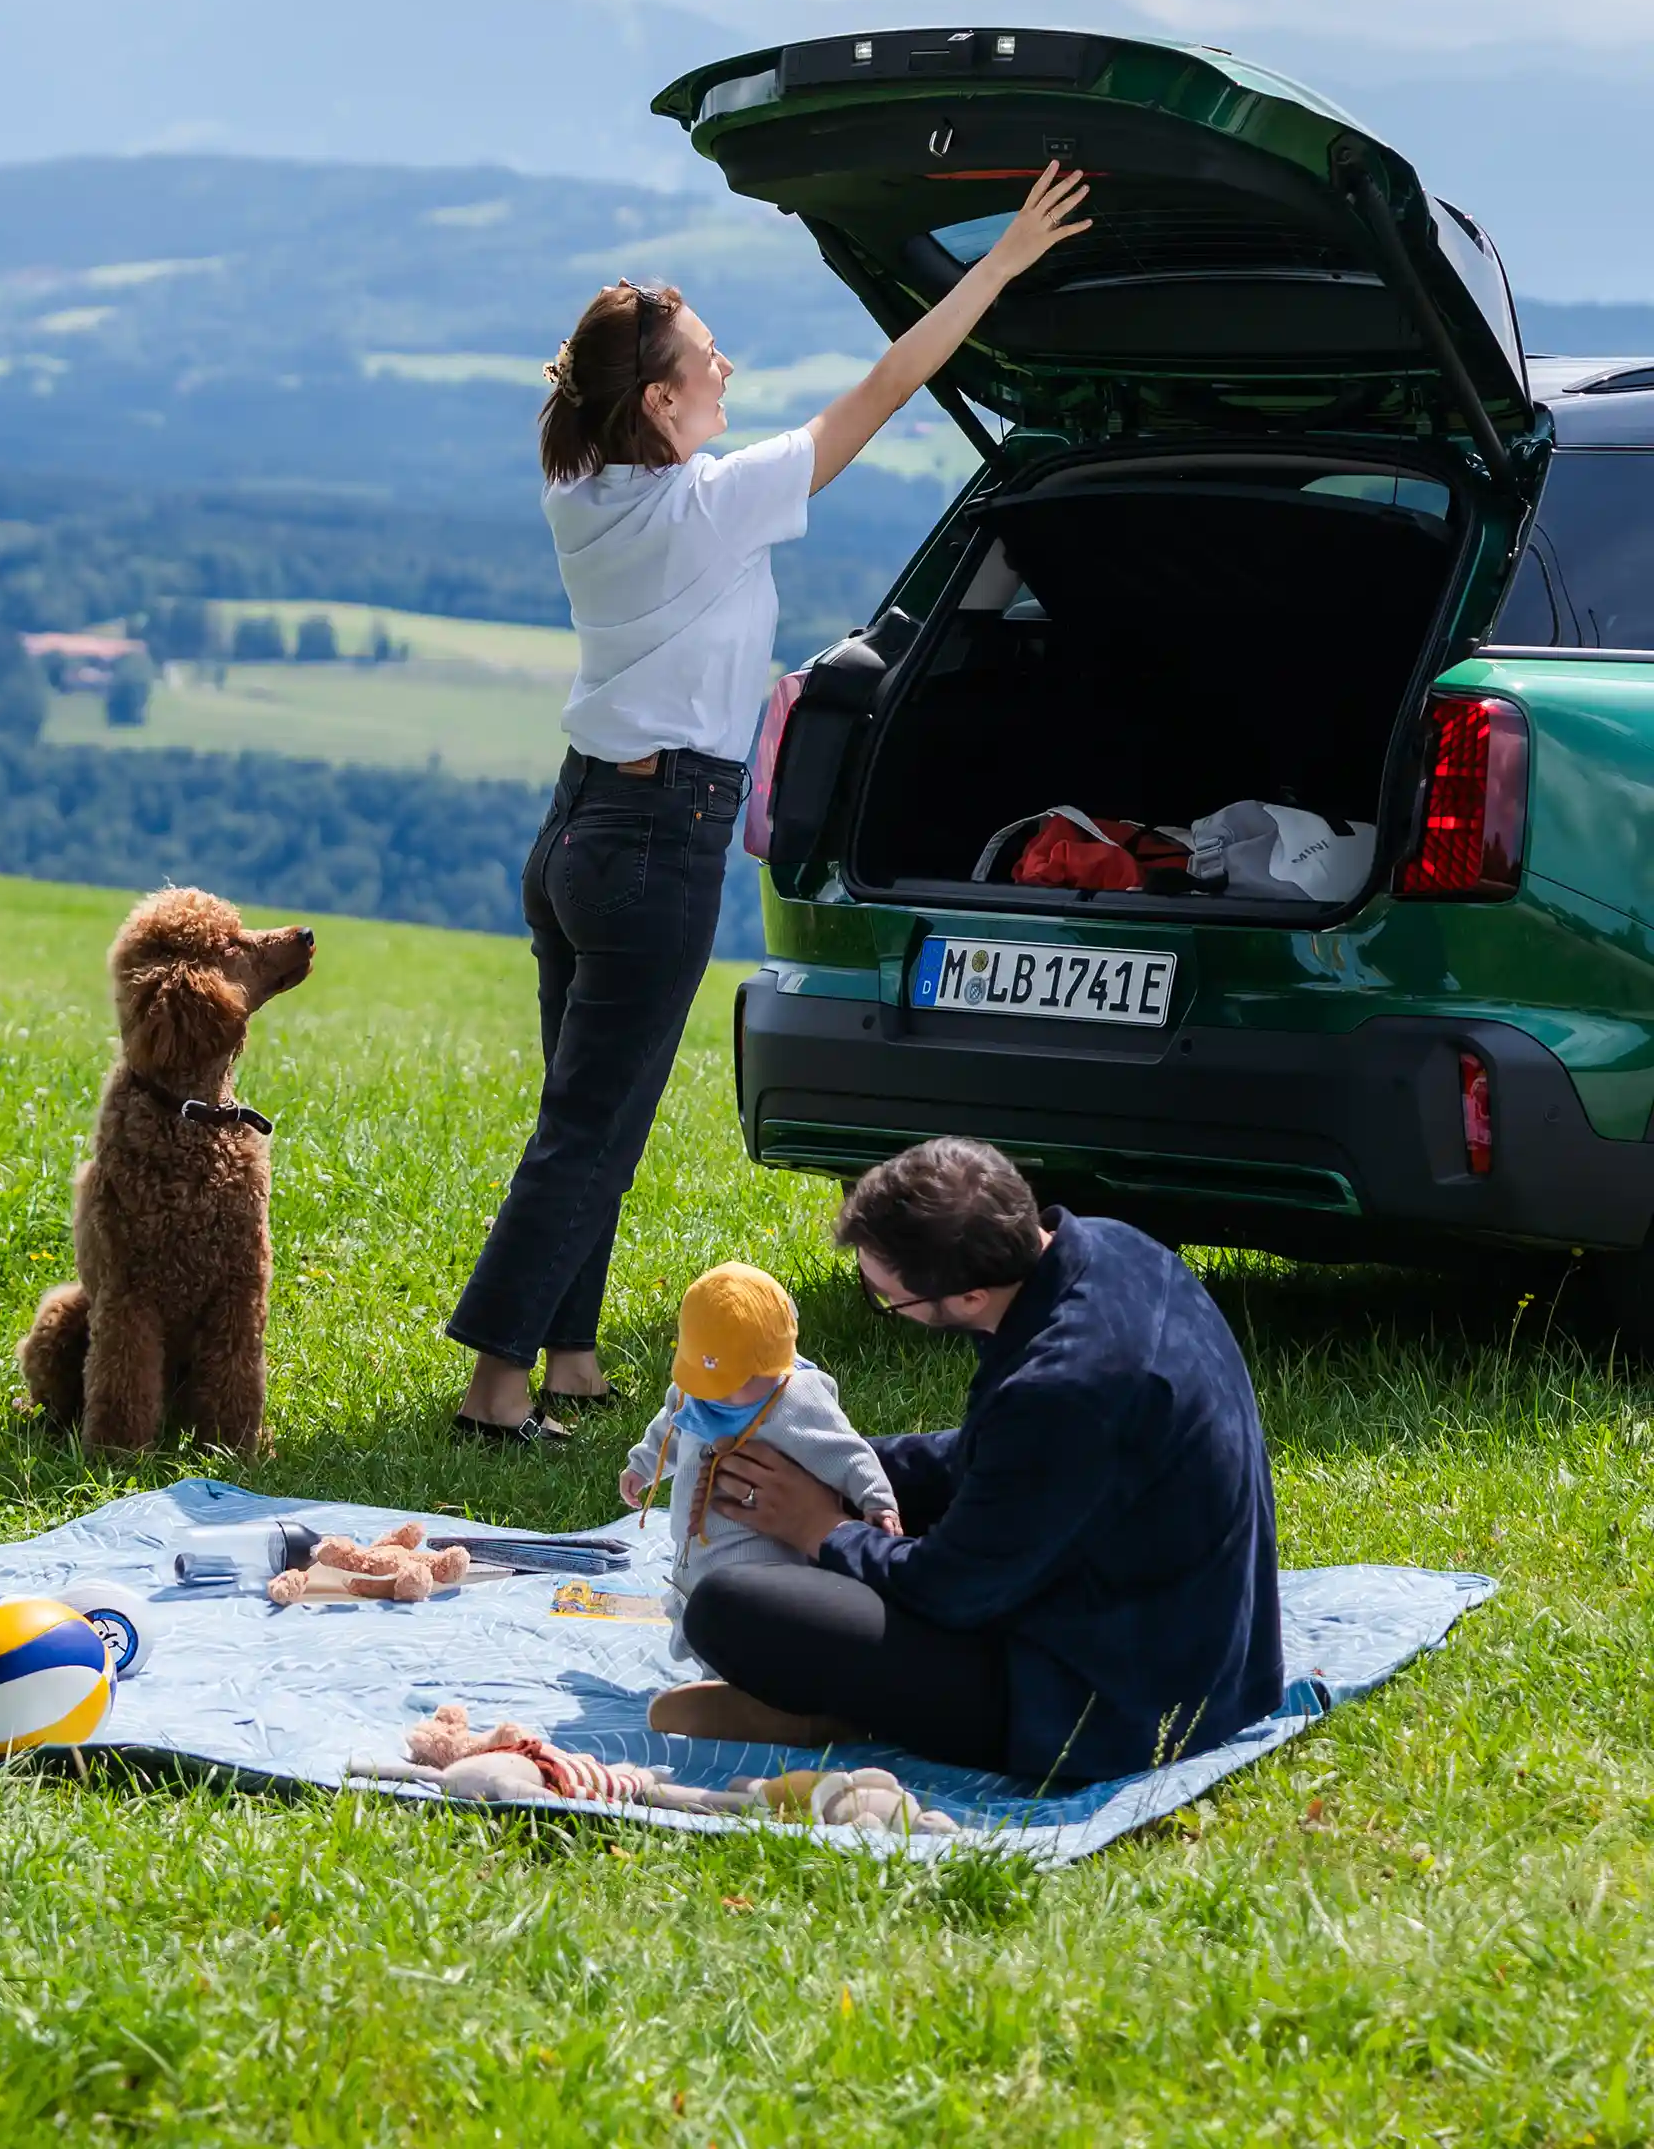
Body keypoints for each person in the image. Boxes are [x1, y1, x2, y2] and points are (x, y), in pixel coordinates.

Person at [446, 166, 1094, 1441]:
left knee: (595, 1108)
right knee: (589, 1120)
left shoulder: (585, 493)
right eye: (705, 357)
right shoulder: (702, 507)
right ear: (659, 399)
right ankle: (495, 1383)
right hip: (653, 840)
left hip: (580, 827)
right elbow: (888, 387)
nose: (727, 367)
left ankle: (567, 1354)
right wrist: (1004, 261)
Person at [666, 1139, 1284, 1787]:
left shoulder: (1064, 1390)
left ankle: (836, 1710)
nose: (881, 1305)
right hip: (1178, 1620)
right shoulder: (1112, 1248)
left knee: (728, 1606)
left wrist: (819, 1527)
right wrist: (846, 1459)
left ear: (967, 1298)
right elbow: (1001, 1463)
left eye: (888, 1297)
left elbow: (947, 1589)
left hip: (1116, 1703)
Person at [618, 1260, 898, 1671]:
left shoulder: (796, 1397)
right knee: (695, 1604)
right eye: (713, 1384)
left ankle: (753, 1687)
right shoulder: (695, 1389)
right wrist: (642, 1465)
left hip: (763, 1544)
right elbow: (670, 1428)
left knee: (750, 1619)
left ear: (775, 1362)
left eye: (739, 1382)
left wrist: (878, 1500)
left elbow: (845, 1449)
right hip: (696, 1546)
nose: (724, 1397)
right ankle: (713, 1678)